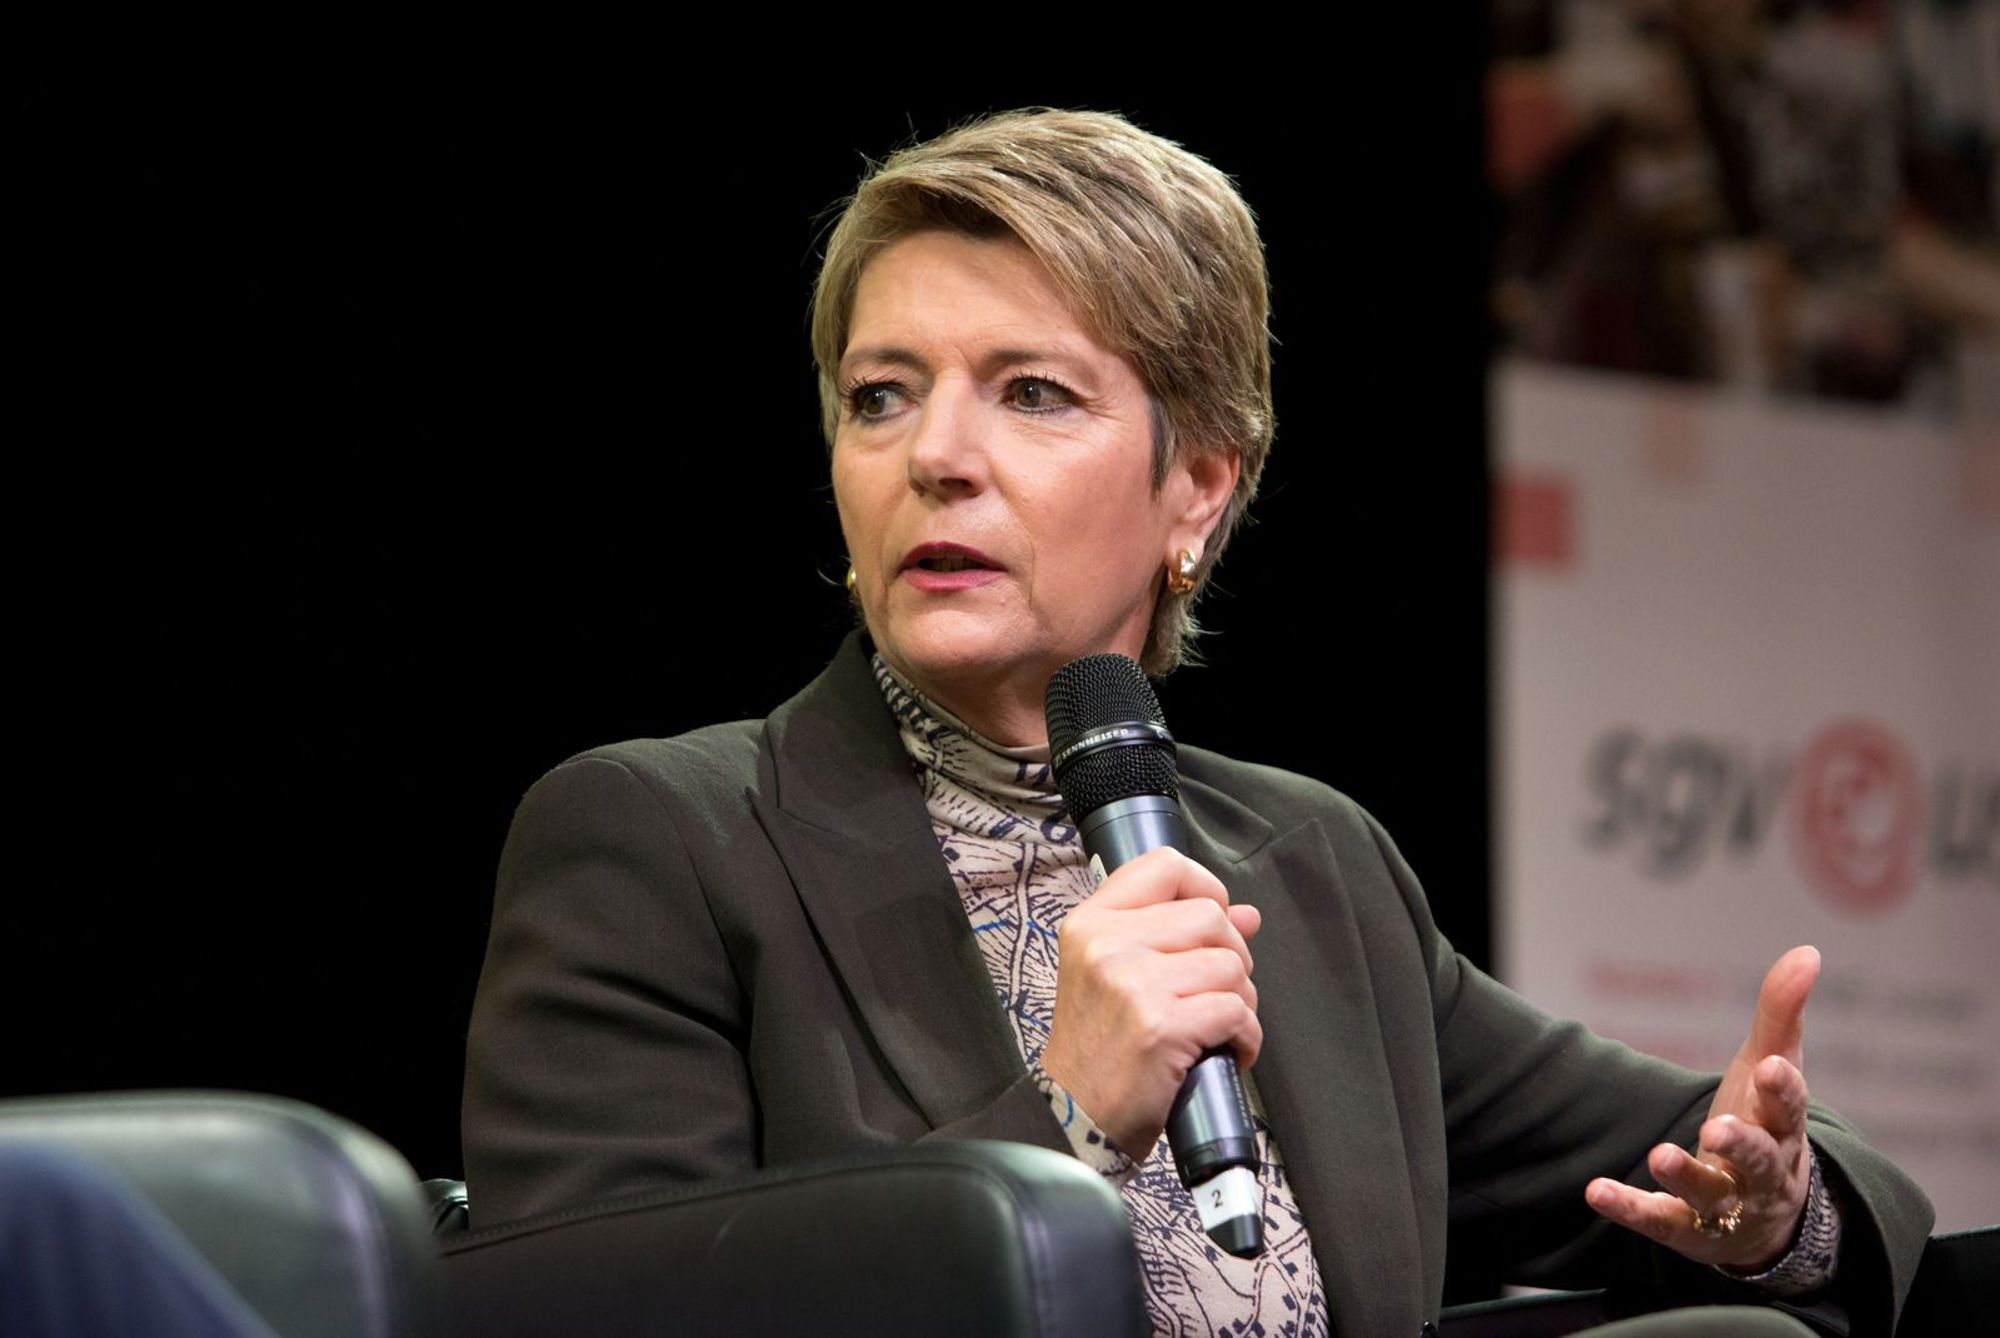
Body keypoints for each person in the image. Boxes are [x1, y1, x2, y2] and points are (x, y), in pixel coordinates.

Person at [461, 108, 1933, 1336]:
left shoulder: (1311, 862)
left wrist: (1766, 1208)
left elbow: (1724, 1156)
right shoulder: (663, 843)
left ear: (1198, 489)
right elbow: (590, 1315)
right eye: (881, 395)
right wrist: (1064, 1119)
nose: (937, 456)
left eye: (1032, 393)